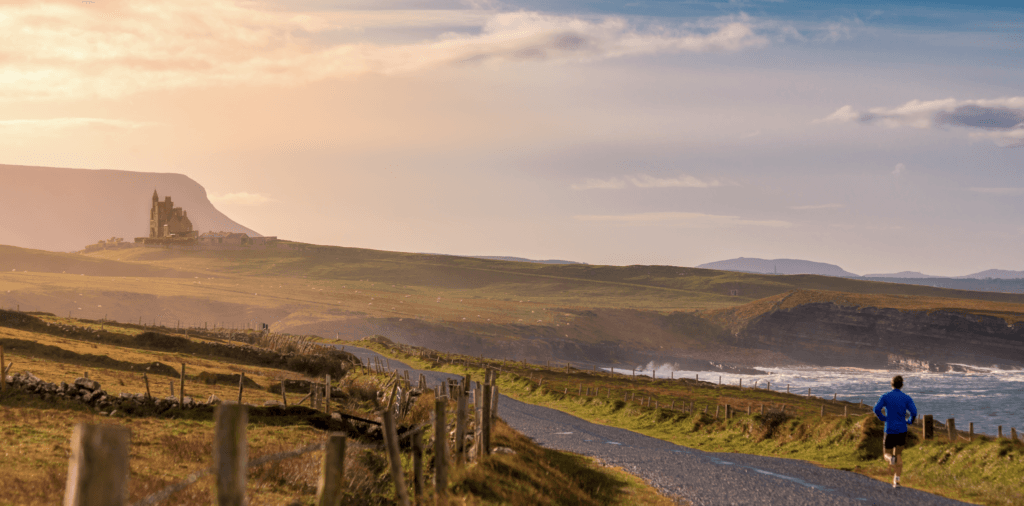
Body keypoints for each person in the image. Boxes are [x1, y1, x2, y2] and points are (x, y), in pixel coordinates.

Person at [873, 375, 917, 488]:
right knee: (898, 455)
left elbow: (876, 409)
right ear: (902, 385)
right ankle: (896, 480)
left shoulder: (886, 396)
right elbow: (914, 412)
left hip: (889, 429)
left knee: (886, 454)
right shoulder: (906, 398)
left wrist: (883, 418)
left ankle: (890, 460)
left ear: (891, 384)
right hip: (902, 429)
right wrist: (910, 420)